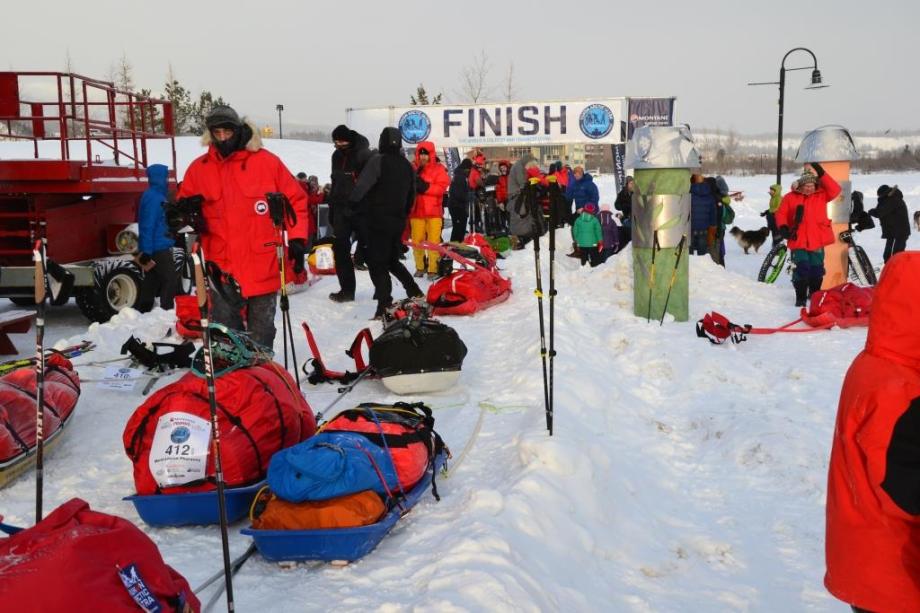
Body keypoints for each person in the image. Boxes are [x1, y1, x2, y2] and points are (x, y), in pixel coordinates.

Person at [824, 252, 920, 613]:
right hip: (896, 578)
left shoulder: (877, 360)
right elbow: (904, 487)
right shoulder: (903, 390)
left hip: (863, 560)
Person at [177, 105, 308, 349]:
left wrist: (298, 238)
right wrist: (182, 216)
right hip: (221, 264)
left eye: (228, 131)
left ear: (238, 130)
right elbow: (182, 208)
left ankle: (261, 377)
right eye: (218, 133)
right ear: (211, 134)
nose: (223, 137)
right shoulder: (199, 168)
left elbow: (296, 200)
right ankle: (232, 379)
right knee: (226, 329)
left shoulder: (266, 162)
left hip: (263, 262)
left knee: (262, 329)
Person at [348, 127, 424, 318]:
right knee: (390, 260)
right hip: (397, 220)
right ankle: (414, 291)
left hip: (376, 220)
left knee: (377, 263)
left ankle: (384, 304)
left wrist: (352, 205)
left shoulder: (378, 161)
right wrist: (403, 214)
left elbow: (362, 187)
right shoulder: (407, 166)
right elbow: (411, 195)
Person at [774, 163, 841, 306]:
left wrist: (821, 172)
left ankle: (814, 295)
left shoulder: (822, 195)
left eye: (812, 185)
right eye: (806, 185)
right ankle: (801, 298)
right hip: (798, 239)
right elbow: (781, 213)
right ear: (800, 186)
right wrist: (784, 227)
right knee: (801, 268)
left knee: (817, 270)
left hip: (817, 239)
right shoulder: (790, 197)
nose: (809, 188)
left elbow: (835, 189)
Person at [328, 124, 372, 302]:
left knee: (371, 250)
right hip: (340, 209)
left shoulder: (364, 154)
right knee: (340, 250)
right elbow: (335, 182)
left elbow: (368, 183)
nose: (338, 145)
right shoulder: (336, 155)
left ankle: (383, 289)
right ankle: (347, 290)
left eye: (341, 141)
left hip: (361, 209)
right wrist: (332, 207)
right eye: (335, 142)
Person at [137, 163, 177, 310]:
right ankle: (167, 310)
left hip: (156, 244)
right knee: (170, 279)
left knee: (152, 279)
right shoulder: (155, 198)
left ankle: (144, 310)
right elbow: (148, 224)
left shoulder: (156, 195)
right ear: (159, 178)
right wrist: (146, 250)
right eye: (166, 177)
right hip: (157, 246)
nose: (167, 180)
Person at [409, 141, 450, 279]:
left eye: (425, 154)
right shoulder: (412, 168)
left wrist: (425, 187)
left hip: (433, 213)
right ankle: (420, 267)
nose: (422, 157)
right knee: (417, 242)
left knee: (433, 243)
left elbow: (442, 187)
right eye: (420, 154)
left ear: (431, 154)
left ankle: (433, 269)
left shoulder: (439, 169)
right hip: (416, 212)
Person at [869, 184, 911, 262]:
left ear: (883, 194)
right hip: (894, 230)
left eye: (879, 195)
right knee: (889, 253)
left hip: (900, 231)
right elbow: (882, 210)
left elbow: (880, 212)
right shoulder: (890, 198)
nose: (879, 197)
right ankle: (889, 267)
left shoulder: (893, 199)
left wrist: (871, 211)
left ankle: (896, 269)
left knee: (897, 254)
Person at [689, 174, 718, 260]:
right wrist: (713, 228)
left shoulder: (688, 195)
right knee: (703, 258)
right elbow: (713, 216)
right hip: (704, 230)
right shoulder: (710, 197)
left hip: (689, 229)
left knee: (688, 258)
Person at [448, 159, 472, 242]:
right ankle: (454, 247)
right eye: (469, 169)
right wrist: (469, 196)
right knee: (458, 229)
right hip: (457, 206)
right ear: (466, 168)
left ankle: (458, 245)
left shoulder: (461, 176)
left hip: (458, 206)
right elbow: (459, 194)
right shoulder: (460, 177)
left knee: (460, 228)